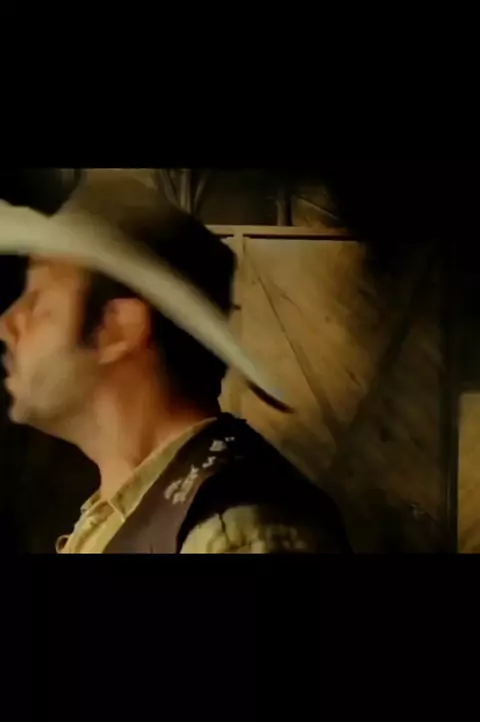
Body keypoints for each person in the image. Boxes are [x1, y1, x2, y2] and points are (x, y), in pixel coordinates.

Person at [0, 169, 351, 554]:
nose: (6, 324)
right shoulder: (117, 513)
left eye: (40, 300)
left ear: (118, 327)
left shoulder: (234, 534)